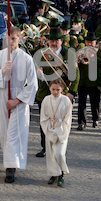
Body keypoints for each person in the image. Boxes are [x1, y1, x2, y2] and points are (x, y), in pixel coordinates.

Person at [0, 26, 38, 183]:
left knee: (15, 133)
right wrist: (3, 71)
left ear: (19, 39)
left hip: (20, 100)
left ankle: (11, 168)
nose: (10, 42)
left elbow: (33, 84)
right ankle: (9, 162)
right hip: (3, 95)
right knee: (5, 132)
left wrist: (17, 100)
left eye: (13, 39)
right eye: (7, 39)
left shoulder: (26, 59)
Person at [34, 27, 79, 157]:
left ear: (61, 41)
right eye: (52, 41)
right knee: (45, 122)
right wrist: (38, 73)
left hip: (62, 95)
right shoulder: (42, 53)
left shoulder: (69, 54)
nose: (54, 43)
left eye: (57, 41)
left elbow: (75, 74)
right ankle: (45, 147)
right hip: (45, 93)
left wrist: (72, 93)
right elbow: (34, 68)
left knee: (60, 123)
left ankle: (60, 145)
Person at [40, 79, 72, 188]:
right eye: (53, 89)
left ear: (62, 89)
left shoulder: (66, 100)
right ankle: (54, 175)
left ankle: (61, 174)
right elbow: (43, 117)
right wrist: (49, 130)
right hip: (49, 128)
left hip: (62, 129)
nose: (55, 92)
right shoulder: (46, 100)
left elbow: (68, 118)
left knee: (60, 153)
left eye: (58, 90)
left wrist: (63, 131)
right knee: (51, 154)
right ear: (50, 88)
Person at [76, 32, 101, 130]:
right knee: (81, 103)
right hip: (83, 81)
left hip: (95, 81)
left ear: (95, 42)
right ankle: (81, 123)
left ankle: (95, 119)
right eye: (87, 42)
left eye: (91, 42)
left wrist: (93, 58)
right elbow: (76, 66)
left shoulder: (100, 51)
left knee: (95, 102)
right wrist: (77, 59)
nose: (89, 44)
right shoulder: (81, 51)